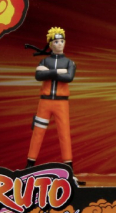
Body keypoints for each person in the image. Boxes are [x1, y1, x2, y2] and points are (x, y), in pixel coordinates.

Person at [26, 27, 77, 173]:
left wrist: (48, 72)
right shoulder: (45, 60)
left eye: (62, 41)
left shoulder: (69, 62)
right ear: (50, 44)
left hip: (61, 103)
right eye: (56, 41)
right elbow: (38, 76)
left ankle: (69, 167)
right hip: (45, 102)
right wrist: (58, 71)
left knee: (64, 133)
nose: (59, 44)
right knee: (38, 132)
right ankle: (29, 165)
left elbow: (69, 77)